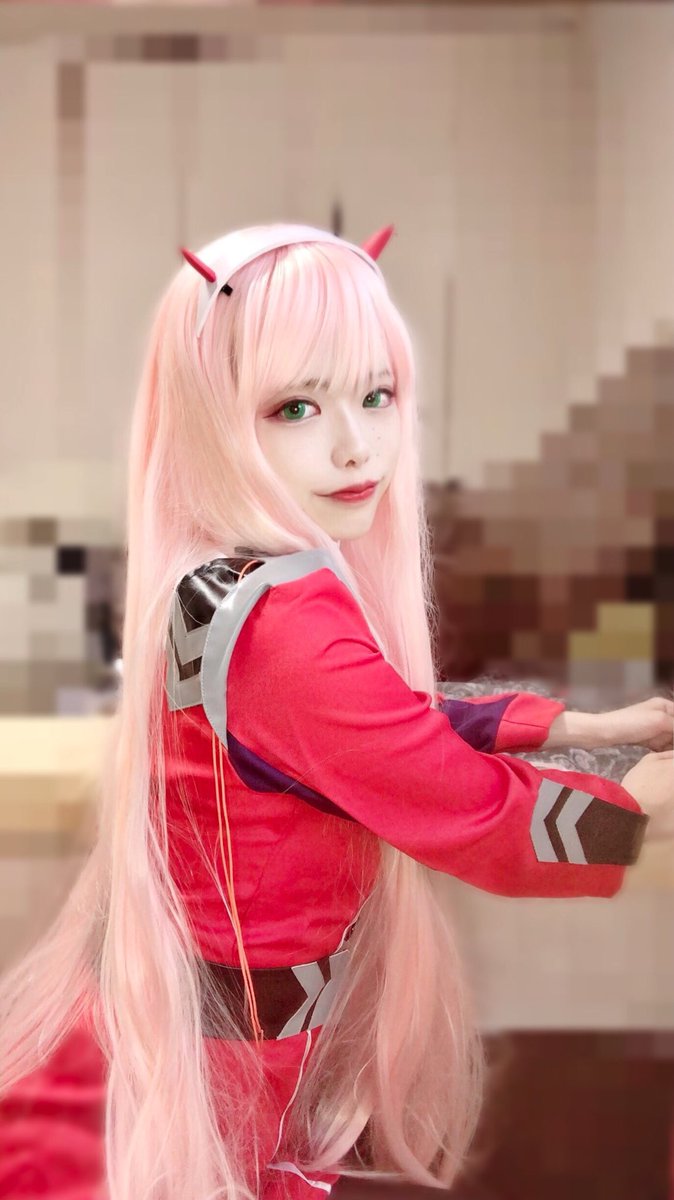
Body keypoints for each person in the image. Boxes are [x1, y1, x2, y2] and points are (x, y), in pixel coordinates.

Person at [1, 223, 672, 1200]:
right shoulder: (280, 625)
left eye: (377, 395)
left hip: (190, 1047)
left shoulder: (225, 580)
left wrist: (578, 729)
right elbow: (462, 806)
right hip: (207, 1072)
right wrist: (633, 813)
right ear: (214, 417)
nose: (357, 446)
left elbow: (371, 722)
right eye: (296, 407)